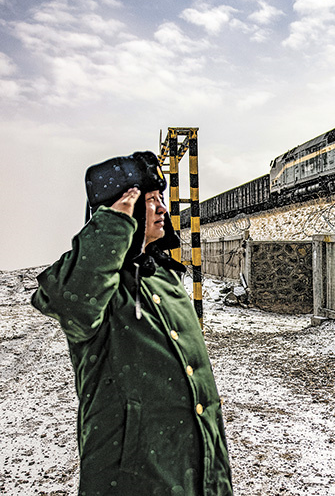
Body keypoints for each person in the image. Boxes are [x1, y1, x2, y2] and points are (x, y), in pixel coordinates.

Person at [31, 151, 233, 495]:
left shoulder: (164, 277)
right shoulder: (100, 287)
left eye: (160, 199)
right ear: (122, 211)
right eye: (150, 200)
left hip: (197, 474)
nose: (163, 210)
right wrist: (113, 225)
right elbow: (72, 303)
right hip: (135, 479)